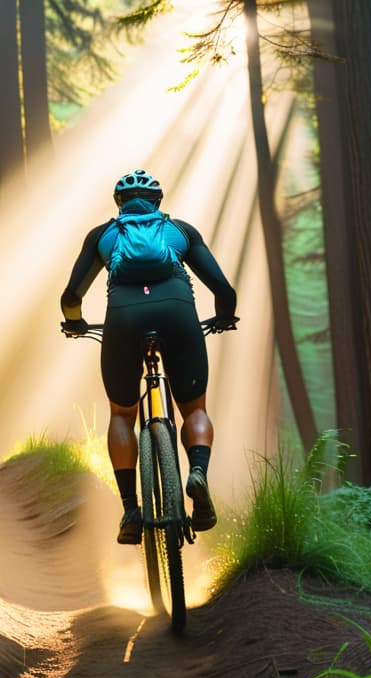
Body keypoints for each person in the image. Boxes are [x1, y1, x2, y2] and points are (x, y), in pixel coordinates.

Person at [60, 169, 238, 545]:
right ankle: (198, 473)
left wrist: (75, 324)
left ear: (119, 204)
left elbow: (71, 297)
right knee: (194, 410)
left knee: (122, 414)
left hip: (123, 320)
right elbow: (223, 288)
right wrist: (224, 316)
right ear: (158, 202)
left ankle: (130, 509)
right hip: (178, 314)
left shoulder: (103, 235)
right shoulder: (181, 232)